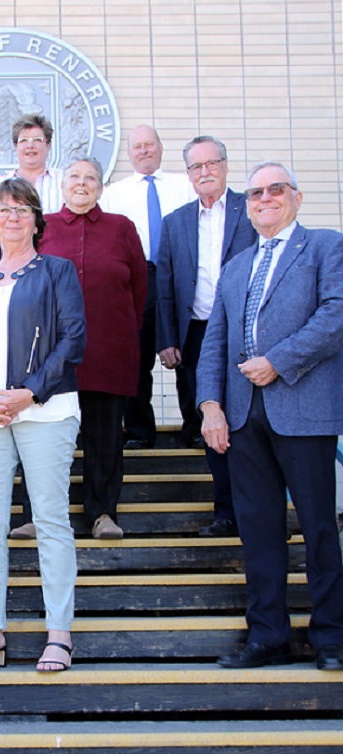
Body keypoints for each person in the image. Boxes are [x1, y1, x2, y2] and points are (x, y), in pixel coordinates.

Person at [197, 161, 343, 670]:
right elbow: (215, 340)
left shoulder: (325, 246)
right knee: (258, 530)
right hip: (242, 418)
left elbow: (336, 314)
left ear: (296, 198)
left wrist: (278, 361)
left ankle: (330, 637)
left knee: (319, 527)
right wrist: (210, 405)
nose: (263, 198)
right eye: (255, 192)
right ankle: (268, 635)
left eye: (275, 189)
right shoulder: (236, 266)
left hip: (304, 411)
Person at [0, 178, 85, 672]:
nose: (13, 217)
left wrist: (29, 391)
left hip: (44, 411)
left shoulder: (57, 271)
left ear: (36, 220)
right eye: (4, 210)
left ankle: (59, 634)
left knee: (49, 521)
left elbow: (73, 339)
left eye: (23, 209)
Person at [38, 157, 147, 540]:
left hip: (108, 350)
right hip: (51, 358)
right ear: (62, 185)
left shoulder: (122, 228)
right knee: (46, 437)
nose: (82, 184)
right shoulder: (43, 226)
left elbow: (138, 289)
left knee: (104, 436)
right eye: (75, 177)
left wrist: (120, 332)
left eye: (91, 179)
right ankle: (37, 515)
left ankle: (102, 514)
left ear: (101, 188)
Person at [156, 136, 257, 537]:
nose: (205, 172)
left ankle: (259, 509)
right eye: (196, 167)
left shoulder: (250, 211)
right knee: (211, 421)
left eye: (212, 163)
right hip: (198, 334)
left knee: (251, 421)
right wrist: (167, 338)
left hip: (248, 332)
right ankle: (226, 512)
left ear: (226, 166)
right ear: (188, 174)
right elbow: (164, 284)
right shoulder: (175, 221)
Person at [102, 125, 196, 448]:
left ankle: (195, 427)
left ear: (161, 147)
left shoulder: (185, 186)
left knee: (186, 353)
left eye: (149, 144)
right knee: (136, 357)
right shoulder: (115, 192)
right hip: (137, 277)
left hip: (181, 276)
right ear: (128, 154)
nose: (144, 151)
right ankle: (140, 431)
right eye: (137, 146)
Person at [0, 115, 65, 214]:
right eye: (24, 140)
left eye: (37, 140)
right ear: (15, 146)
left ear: (48, 145)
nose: (30, 146)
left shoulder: (65, 181)